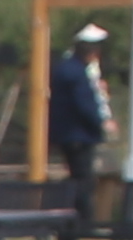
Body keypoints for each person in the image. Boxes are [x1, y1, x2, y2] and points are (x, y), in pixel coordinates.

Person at [49, 22, 114, 177]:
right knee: (82, 181)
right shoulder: (76, 73)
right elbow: (84, 103)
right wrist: (102, 122)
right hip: (78, 136)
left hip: (69, 135)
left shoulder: (67, 68)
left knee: (78, 178)